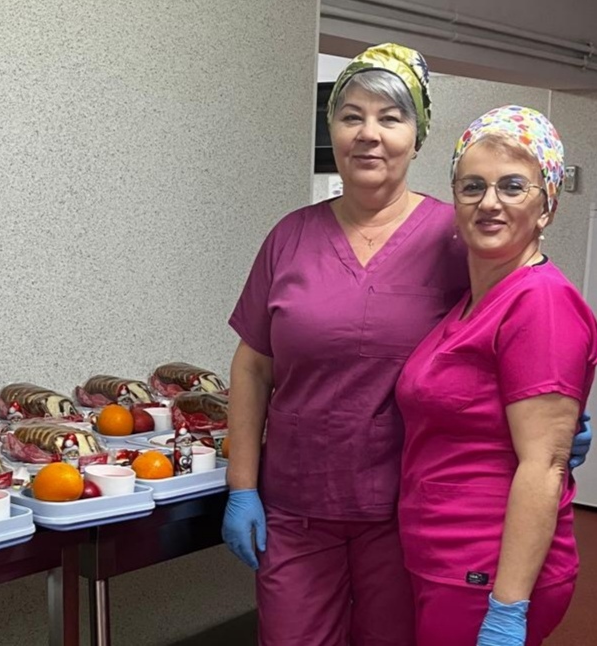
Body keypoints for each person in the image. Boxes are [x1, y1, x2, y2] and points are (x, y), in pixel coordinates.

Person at [221, 44, 592, 646]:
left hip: (405, 514)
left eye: (390, 118)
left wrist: (554, 426)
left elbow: (520, 320)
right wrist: (242, 486)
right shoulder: (289, 237)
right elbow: (252, 367)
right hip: (297, 504)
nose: (369, 134)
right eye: (351, 116)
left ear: (417, 137)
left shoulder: (460, 236)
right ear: (332, 131)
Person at [395, 106, 597, 646]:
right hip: (445, 559)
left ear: (547, 206)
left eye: (512, 186)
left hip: (486, 571)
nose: (489, 202)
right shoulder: (473, 302)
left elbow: (543, 465)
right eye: (472, 186)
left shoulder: (541, 303)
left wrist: (507, 608)